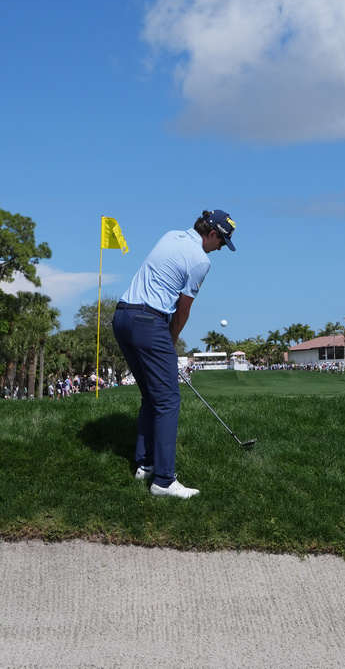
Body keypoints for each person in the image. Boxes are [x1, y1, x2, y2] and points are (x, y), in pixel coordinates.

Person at [113, 209, 236, 499]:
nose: (220, 249)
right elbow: (182, 312)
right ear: (212, 234)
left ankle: (145, 465)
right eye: (221, 242)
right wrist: (169, 342)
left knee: (151, 396)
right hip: (148, 322)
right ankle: (164, 481)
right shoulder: (201, 261)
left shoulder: (171, 235)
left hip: (122, 317)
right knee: (168, 400)